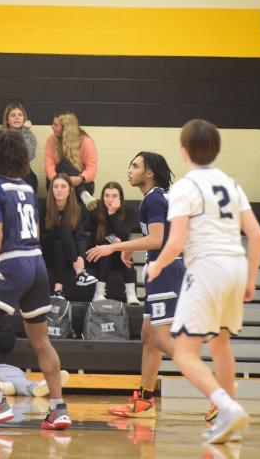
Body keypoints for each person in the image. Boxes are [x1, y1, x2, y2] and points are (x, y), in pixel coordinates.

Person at [147, 119, 260, 444]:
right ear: (216, 150)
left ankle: (227, 408)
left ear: (183, 152)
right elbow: (256, 235)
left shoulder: (185, 187)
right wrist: (251, 279)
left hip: (207, 268)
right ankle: (226, 419)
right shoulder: (231, 183)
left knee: (185, 353)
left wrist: (155, 268)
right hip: (236, 265)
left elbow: (174, 243)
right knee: (220, 343)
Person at [0, 129, 70, 430]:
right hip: (36, 263)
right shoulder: (25, 187)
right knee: (41, 340)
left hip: (13, 264)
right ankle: (59, 408)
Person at [89, 152, 182, 418]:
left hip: (166, 268)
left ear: (149, 172)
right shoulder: (158, 196)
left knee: (161, 338)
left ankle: (216, 393)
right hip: (162, 266)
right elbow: (156, 236)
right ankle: (145, 398)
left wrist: (115, 247)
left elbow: (155, 240)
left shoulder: (152, 198)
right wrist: (130, 249)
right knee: (148, 336)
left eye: (135, 166)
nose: (129, 170)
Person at [41, 173, 97, 296]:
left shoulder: (77, 210)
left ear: (70, 190)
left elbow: (80, 236)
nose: (59, 190)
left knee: (59, 243)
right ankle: (80, 273)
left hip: (66, 255)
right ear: (51, 190)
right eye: (55, 186)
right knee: (62, 229)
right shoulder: (43, 207)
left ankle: (58, 290)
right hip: (46, 252)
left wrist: (81, 257)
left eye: (63, 186)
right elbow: (40, 236)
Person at [85, 182, 137, 304]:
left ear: (120, 197)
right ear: (102, 197)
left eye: (114, 196)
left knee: (126, 252)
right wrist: (114, 242)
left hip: (120, 255)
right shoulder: (95, 211)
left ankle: (131, 294)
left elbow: (124, 236)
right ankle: (99, 293)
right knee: (106, 252)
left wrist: (112, 214)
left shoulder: (129, 210)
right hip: (99, 254)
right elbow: (97, 238)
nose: (110, 199)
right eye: (106, 196)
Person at [44, 111, 98, 210]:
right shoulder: (51, 140)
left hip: (81, 182)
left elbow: (92, 168)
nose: (52, 127)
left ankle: (82, 192)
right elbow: (49, 165)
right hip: (58, 182)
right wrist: (57, 180)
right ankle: (83, 194)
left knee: (66, 163)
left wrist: (80, 179)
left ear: (66, 129)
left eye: (55, 125)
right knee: (64, 163)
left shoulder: (86, 141)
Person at [2, 102, 38, 192]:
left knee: (31, 181)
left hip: (24, 172)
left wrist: (25, 133)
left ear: (24, 119)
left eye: (20, 115)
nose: (17, 117)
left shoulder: (30, 135)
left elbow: (28, 156)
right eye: (13, 115)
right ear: (7, 120)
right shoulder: (1, 136)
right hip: (6, 172)